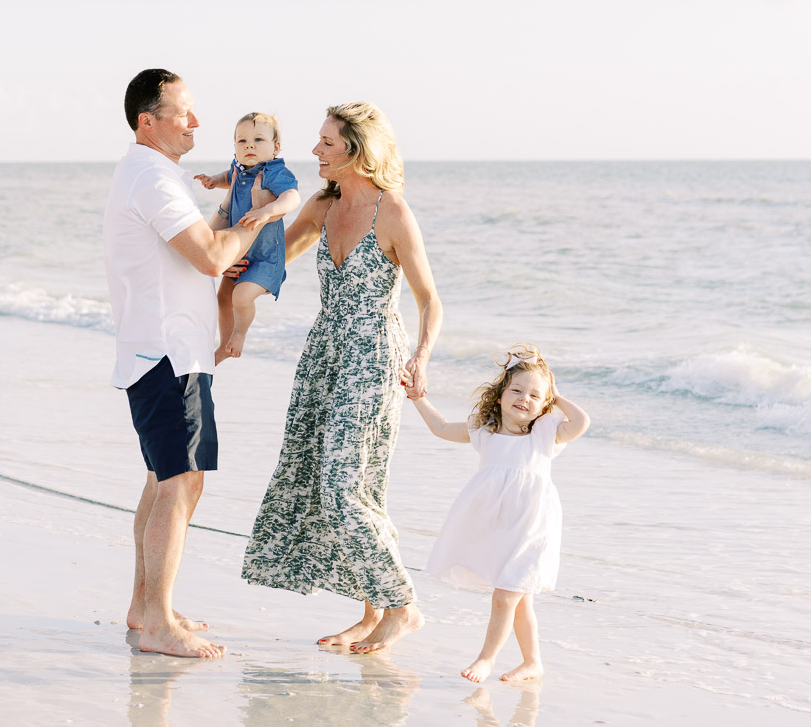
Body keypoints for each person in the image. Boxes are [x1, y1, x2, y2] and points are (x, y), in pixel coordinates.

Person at [241, 101, 443, 653]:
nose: (315, 152)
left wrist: (421, 357)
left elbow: (430, 301)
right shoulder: (322, 205)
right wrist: (233, 241)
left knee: (341, 487)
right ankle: (372, 612)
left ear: (357, 149)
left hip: (373, 355)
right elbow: (275, 257)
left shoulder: (394, 212)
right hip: (324, 353)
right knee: (351, 484)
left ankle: (402, 607)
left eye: (327, 143)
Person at [103, 69, 274, 660]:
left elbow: (192, 253)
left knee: (165, 478)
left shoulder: (154, 174)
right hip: (166, 354)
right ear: (147, 120)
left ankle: (148, 607)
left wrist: (222, 246)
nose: (196, 122)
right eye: (183, 112)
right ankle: (156, 625)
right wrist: (259, 219)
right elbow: (205, 255)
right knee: (179, 482)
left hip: (164, 351)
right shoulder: (151, 176)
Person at [407, 343, 591, 683]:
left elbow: (582, 422)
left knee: (505, 597)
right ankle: (533, 662)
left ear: (545, 405)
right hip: (498, 528)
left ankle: (486, 659)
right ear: (501, 394)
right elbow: (442, 428)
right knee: (520, 602)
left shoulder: (545, 434)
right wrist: (417, 398)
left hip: (532, 528)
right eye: (517, 390)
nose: (525, 399)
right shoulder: (485, 431)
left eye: (536, 396)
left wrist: (557, 394)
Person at [193, 112, 301, 363]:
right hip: (238, 255)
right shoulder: (238, 170)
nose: (249, 145)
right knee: (222, 299)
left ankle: (240, 334)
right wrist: (214, 180)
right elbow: (227, 178)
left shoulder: (275, 171)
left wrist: (267, 211)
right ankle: (224, 343)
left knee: (241, 297)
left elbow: (292, 197)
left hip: (265, 259)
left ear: (275, 147)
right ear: (234, 149)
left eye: (258, 140)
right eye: (241, 141)